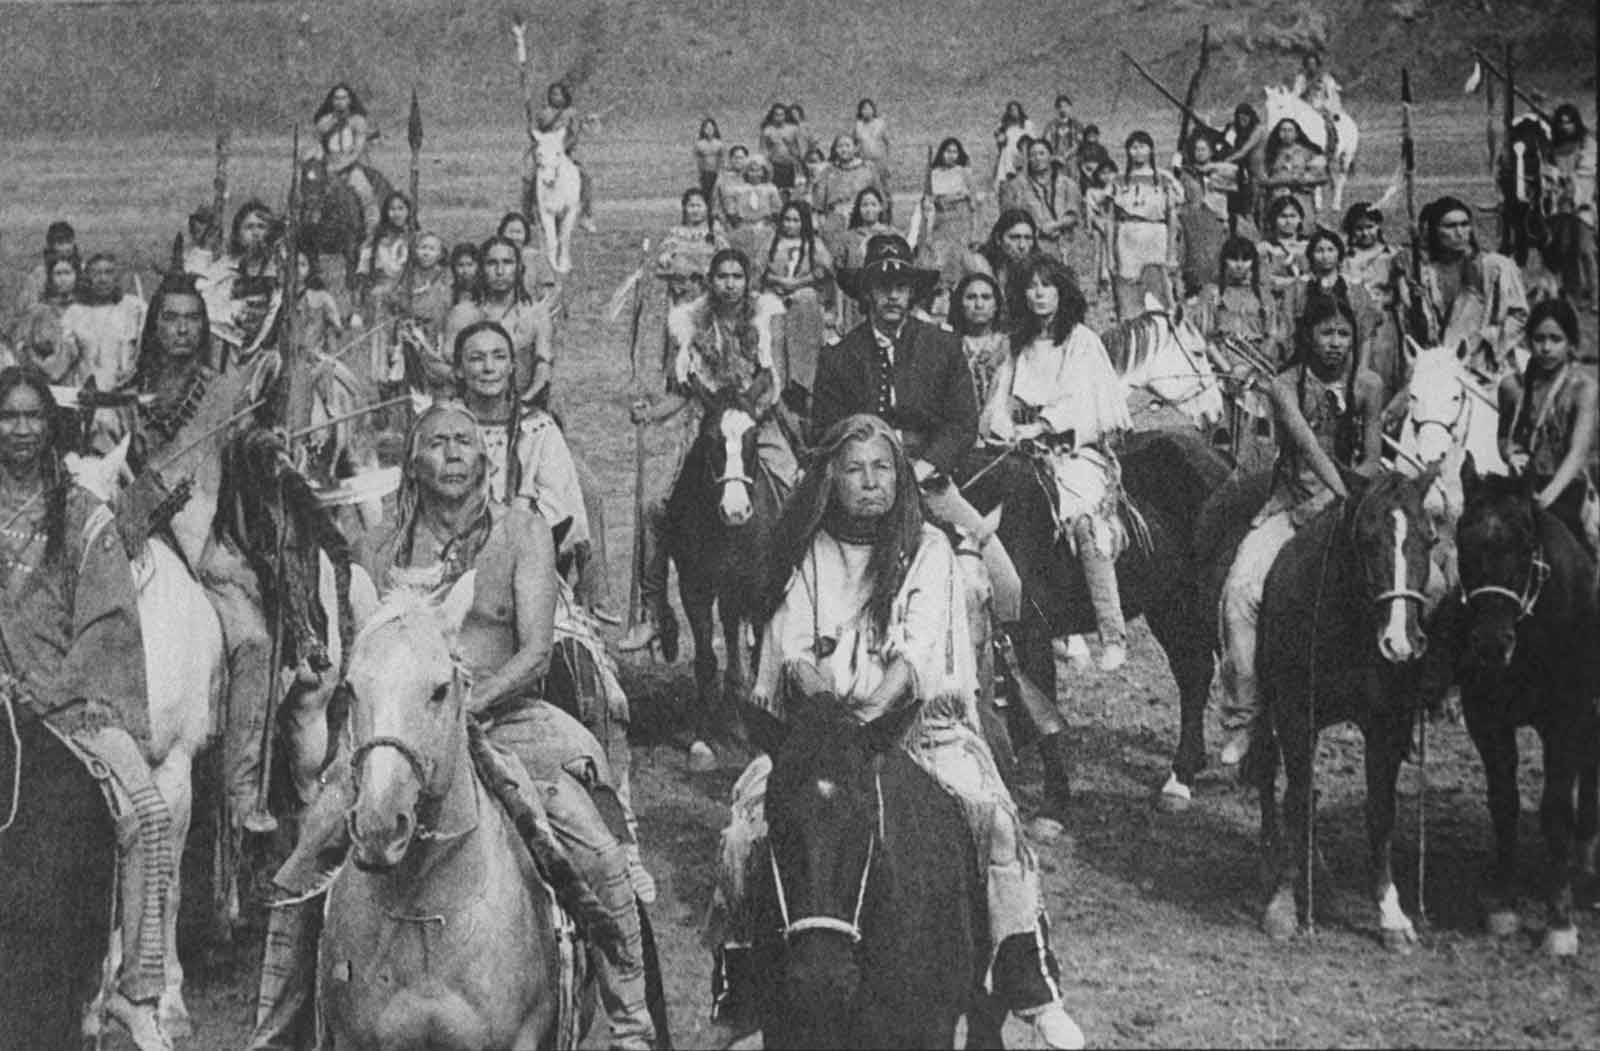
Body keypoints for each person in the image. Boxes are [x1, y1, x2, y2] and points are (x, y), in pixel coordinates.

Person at [250, 403, 656, 1050]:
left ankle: (632, 1024)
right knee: (310, 847)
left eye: (465, 440)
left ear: (485, 457)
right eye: (437, 442)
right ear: (414, 462)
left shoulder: (522, 531)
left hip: (509, 717)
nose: (453, 452)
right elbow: (368, 654)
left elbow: (536, 653)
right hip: (401, 730)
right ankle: (273, 1029)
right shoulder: (381, 546)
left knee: (598, 850)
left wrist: (464, 706)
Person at [712, 414, 1087, 1050]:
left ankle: (1028, 974)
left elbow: (917, 655)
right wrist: (831, 721)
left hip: (917, 727)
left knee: (993, 816)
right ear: (831, 479)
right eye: (855, 470)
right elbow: (795, 652)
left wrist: (872, 716)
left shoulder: (928, 550)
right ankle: (740, 986)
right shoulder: (804, 553)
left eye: (882, 469)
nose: (870, 483)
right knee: (745, 829)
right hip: (822, 731)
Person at [0, 368, 175, 1051]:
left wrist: (52, 689)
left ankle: (136, 989)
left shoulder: (83, 514)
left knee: (147, 812)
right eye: (7, 416)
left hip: (68, 701)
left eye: (31, 416)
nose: (19, 429)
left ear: (52, 425)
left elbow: (107, 619)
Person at [811, 234, 1030, 717]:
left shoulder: (942, 347)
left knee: (1003, 580)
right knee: (796, 567)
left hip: (929, 483)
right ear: (866, 292)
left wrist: (923, 467)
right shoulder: (839, 356)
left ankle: (991, 681)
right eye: (882, 286)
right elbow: (824, 431)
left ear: (913, 292)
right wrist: (866, 472)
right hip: (859, 492)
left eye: (902, 286)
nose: (893, 295)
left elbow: (962, 423)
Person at [620, 250, 795, 703]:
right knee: (656, 504)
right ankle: (654, 607)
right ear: (710, 280)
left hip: (756, 420)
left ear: (747, 279)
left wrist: (752, 411)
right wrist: (651, 412)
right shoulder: (690, 323)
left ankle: (794, 595)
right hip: (704, 422)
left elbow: (774, 381)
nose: (730, 283)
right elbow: (681, 392)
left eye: (738, 275)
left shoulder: (765, 317)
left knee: (792, 486)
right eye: (722, 276)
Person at [1216, 295, 1384, 763]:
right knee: (1240, 593)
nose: (1335, 343)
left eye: (1344, 334)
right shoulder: (1284, 385)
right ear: (1308, 335)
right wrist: (1325, 496)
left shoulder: (1368, 385)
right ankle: (1244, 716)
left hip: (1351, 503)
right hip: (1291, 505)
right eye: (1326, 332)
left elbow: (1372, 458)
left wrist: (1341, 498)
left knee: (1416, 579)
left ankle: (1406, 695)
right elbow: (1308, 447)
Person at [980, 256, 1133, 670]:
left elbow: (1082, 400)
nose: (1039, 294)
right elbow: (998, 400)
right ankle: (1044, 623)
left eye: (1047, 286)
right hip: (1022, 449)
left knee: (1083, 520)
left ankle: (1111, 630)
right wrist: (1008, 428)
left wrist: (1044, 426)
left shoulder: (1082, 341)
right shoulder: (1018, 345)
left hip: (1072, 451)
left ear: (1061, 292)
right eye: (1031, 287)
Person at [455, 320, 593, 582]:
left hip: (525, 563)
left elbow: (558, 509)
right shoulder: (444, 426)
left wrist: (508, 524)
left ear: (511, 366)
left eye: (499, 357)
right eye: (476, 358)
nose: (488, 368)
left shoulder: (538, 429)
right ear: (459, 369)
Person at [1497, 298, 1598, 555]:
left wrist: (1547, 497)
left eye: (1556, 339)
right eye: (1539, 338)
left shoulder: (1582, 389)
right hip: (1521, 489)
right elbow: (1503, 438)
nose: (1546, 347)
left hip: (1566, 492)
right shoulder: (1512, 387)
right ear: (1528, 341)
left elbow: (1578, 452)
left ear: (1571, 343)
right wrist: (1510, 454)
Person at [1398, 195, 1528, 375]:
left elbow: (1519, 316)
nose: (1459, 232)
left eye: (1464, 224)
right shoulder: (1426, 273)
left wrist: (1487, 341)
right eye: (1450, 226)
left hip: (1489, 362)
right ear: (1435, 230)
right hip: (1441, 364)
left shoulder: (1496, 266)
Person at [442, 236, 555, 407]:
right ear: (481, 269)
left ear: (519, 268)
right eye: (492, 263)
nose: (500, 271)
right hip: (471, 407)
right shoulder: (462, 314)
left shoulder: (536, 314)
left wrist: (526, 401)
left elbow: (543, 364)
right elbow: (447, 366)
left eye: (507, 263)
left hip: (524, 403)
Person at [1108, 130, 1182, 319]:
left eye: (1142, 147)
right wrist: (1110, 255)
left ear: (1150, 150)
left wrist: (1172, 253)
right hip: (1127, 237)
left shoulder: (1163, 179)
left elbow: (1172, 216)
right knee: (1128, 289)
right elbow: (1111, 220)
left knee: (1159, 291)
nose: (1138, 151)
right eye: (1133, 147)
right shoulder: (1118, 180)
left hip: (1155, 235)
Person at [761, 200, 834, 390]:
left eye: (795, 220)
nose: (790, 225)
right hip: (775, 294)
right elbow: (760, 271)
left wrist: (797, 283)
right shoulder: (772, 242)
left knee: (805, 301)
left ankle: (803, 383)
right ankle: (777, 384)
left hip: (804, 296)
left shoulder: (813, 244)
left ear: (804, 222)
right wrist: (780, 281)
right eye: (787, 220)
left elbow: (823, 271)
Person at [1192, 235, 1286, 371]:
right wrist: (1226, 368)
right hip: (1218, 364)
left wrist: (1255, 365)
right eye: (1234, 259)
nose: (1239, 265)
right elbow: (1204, 337)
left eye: (1245, 259)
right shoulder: (1212, 293)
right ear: (1224, 261)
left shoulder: (1263, 296)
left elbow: (1271, 336)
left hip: (1256, 365)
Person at [1283, 230, 1380, 357]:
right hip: (1305, 356)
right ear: (1311, 255)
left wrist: (1362, 365)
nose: (1325, 256)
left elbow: (1365, 332)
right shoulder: (1298, 288)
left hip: (1346, 356)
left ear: (1339, 253)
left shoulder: (1354, 288)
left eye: (1330, 250)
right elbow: (1287, 326)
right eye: (1319, 251)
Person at [60, 252, 146, 390]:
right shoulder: (74, 313)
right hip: (86, 391)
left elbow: (146, 352)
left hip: (125, 390)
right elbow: (65, 360)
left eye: (109, 272)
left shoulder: (134, 308)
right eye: (96, 273)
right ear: (87, 278)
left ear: (117, 277)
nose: (103, 279)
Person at [999, 136, 1085, 269]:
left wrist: (1055, 225)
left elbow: (1074, 214)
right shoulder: (1016, 186)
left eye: (1041, 153)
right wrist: (1038, 228)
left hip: (1065, 244)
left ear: (1050, 156)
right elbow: (1009, 217)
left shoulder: (1068, 184)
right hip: (1032, 245)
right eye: (1033, 155)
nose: (1037, 158)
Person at [1174, 129, 1238, 299]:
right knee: (1195, 259)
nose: (1200, 153)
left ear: (1211, 151)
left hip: (1217, 220)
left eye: (1203, 149)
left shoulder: (1222, 171)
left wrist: (1212, 168)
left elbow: (1237, 178)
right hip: (1193, 222)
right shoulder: (1186, 173)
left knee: (1216, 258)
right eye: (1197, 149)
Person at [915, 136, 984, 288]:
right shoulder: (934, 174)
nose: (951, 155)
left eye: (955, 152)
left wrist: (975, 233)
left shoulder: (963, 173)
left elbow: (974, 205)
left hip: (960, 224)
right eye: (948, 151)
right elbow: (928, 200)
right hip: (940, 224)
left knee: (962, 261)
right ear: (941, 153)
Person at [312, 82, 380, 230]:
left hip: (351, 169)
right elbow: (318, 147)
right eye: (336, 98)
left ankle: (371, 232)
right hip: (328, 168)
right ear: (331, 101)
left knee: (366, 195)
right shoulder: (324, 123)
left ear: (349, 100)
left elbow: (357, 151)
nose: (340, 102)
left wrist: (341, 166)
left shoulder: (358, 121)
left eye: (343, 98)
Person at [1549, 103, 1598, 309]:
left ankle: (1595, 295)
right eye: (1561, 123)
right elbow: (1549, 168)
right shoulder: (1553, 145)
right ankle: (1573, 294)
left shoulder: (1587, 143)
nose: (1565, 127)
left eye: (1569, 123)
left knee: (1586, 250)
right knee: (1566, 249)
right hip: (1561, 206)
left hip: (1582, 205)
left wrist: (1572, 184)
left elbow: (1588, 171)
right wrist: (1556, 181)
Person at [532, 81, 598, 232]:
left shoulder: (572, 113)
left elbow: (582, 133)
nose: (554, 97)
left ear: (564, 96)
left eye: (557, 94)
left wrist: (589, 122)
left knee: (586, 178)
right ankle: (531, 213)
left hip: (568, 153)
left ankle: (586, 215)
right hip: (547, 153)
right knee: (529, 178)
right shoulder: (544, 113)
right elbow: (538, 131)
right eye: (552, 94)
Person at [831, 186, 896, 334]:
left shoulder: (891, 235)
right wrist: (839, 314)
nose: (869, 209)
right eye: (864, 205)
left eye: (873, 204)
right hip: (854, 304)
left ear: (881, 207)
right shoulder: (848, 238)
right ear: (858, 209)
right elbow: (839, 279)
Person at [966, 208, 1046, 324]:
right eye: (1014, 238)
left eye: (1028, 238)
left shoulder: (1036, 267)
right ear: (998, 239)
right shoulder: (979, 262)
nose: (1022, 246)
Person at [9, 253, 79, 381]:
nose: (63, 279)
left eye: (67, 273)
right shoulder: (37, 312)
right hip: (39, 378)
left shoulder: (84, 310)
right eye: (58, 274)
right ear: (50, 277)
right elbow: (20, 345)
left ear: (77, 275)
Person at [656, 188, 729, 307]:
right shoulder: (676, 233)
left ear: (707, 208)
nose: (695, 210)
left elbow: (726, 257)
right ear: (684, 208)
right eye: (691, 206)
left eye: (699, 206)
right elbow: (665, 253)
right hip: (682, 292)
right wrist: (665, 257)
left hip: (708, 291)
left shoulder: (715, 234)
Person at [949, 271, 1011, 410]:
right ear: (960, 303)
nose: (979, 304)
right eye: (971, 297)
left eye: (986, 297)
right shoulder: (949, 345)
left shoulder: (1009, 346)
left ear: (996, 304)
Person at [1260, 118, 1328, 230]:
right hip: (1276, 199)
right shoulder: (1270, 153)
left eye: (1290, 130)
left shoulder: (1308, 152)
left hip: (1301, 198)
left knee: (1303, 230)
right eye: (1283, 130)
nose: (1286, 134)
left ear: (1296, 133)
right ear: (1278, 133)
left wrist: (1305, 180)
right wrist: (1282, 180)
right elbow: (1261, 179)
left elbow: (1323, 177)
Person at [812, 132, 885, 233]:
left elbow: (879, 198)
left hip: (862, 220)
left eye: (847, 146)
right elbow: (818, 205)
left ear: (855, 148)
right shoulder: (827, 172)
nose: (844, 150)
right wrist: (823, 226)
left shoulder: (867, 168)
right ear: (835, 149)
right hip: (835, 221)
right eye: (840, 146)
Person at [1257, 194, 1310, 326]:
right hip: (1277, 306)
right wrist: (1292, 282)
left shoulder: (1309, 246)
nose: (1288, 221)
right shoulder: (1265, 248)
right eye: (1283, 216)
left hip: (1307, 303)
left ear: (1300, 218)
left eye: (1293, 216)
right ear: (1274, 219)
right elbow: (1264, 280)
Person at [720, 155, 784, 263]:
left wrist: (770, 223)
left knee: (763, 257)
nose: (755, 174)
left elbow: (777, 209)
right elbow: (731, 210)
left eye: (758, 170)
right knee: (744, 256)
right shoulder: (738, 189)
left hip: (764, 228)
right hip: (743, 227)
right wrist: (737, 224)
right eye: (751, 171)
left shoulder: (770, 188)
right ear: (746, 172)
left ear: (764, 171)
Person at [12, 219, 77, 323]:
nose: (65, 247)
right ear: (51, 246)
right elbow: (24, 307)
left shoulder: (82, 269)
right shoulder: (39, 274)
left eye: (68, 242)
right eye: (60, 243)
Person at [1216, 103, 1266, 237]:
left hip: (1258, 175)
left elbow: (1244, 151)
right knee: (1244, 209)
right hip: (1247, 174)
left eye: (1245, 119)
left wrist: (1226, 160)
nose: (1242, 122)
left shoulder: (1258, 130)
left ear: (1251, 117)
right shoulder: (1242, 131)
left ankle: (1258, 236)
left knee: (1253, 210)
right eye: (1240, 119)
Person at [496, 211, 563, 309]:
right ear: (502, 233)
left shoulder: (536, 258)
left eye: (518, 232)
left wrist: (538, 310)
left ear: (525, 235)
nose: (514, 237)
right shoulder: (493, 258)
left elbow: (549, 292)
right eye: (511, 232)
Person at [1340, 202, 1396, 301]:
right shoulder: (1345, 257)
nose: (1365, 233)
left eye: (1370, 227)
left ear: (1378, 226)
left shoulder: (1391, 254)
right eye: (1359, 228)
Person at [993, 100, 1037, 193]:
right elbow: (998, 136)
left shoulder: (1027, 123)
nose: (1013, 112)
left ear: (1019, 110)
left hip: (1022, 151)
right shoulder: (1005, 125)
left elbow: (1033, 139)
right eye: (1011, 110)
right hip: (1008, 152)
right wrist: (1000, 136)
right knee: (1006, 152)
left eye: (1015, 109)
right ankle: (1008, 176)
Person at [759, 103, 800, 200]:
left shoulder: (793, 130)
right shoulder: (767, 131)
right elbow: (763, 150)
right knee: (775, 193)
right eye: (776, 114)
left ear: (785, 116)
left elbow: (799, 150)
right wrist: (766, 165)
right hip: (774, 166)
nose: (779, 117)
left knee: (790, 193)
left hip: (790, 166)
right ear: (772, 116)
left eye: (781, 114)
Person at [854, 97, 893, 190]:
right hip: (865, 163)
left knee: (884, 187)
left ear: (873, 110)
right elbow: (853, 144)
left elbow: (888, 143)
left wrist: (888, 163)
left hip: (880, 162)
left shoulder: (880, 124)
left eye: (869, 108)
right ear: (860, 111)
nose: (867, 111)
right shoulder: (857, 126)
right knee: (867, 187)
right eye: (864, 109)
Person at [1043, 93, 1085, 171]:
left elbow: (1080, 143)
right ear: (1056, 109)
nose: (1063, 109)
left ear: (1070, 107)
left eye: (1065, 106)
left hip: (1072, 161)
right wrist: (1054, 157)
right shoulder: (1050, 125)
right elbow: (1046, 143)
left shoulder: (1077, 125)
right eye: (1060, 107)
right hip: (1054, 161)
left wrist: (1066, 155)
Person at [1074, 123, 1113, 196]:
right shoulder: (1082, 148)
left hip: (1098, 175)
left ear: (1097, 136)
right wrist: (1088, 173)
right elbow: (1080, 162)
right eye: (1089, 134)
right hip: (1085, 176)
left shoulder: (1102, 149)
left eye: (1094, 134)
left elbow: (1106, 163)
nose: (1091, 136)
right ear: (1086, 136)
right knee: (1086, 194)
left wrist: (1098, 171)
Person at [694, 117, 727, 202]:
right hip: (704, 174)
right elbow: (697, 161)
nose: (709, 130)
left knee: (717, 195)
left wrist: (721, 174)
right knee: (706, 196)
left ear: (715, 129)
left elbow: (722, 161)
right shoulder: (699, 144)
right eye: (707, 128)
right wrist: (699, 174)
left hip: (716, 173)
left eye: (711, 128)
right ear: (703, 130)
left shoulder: (719, 144)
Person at [448, 241, 481, 307]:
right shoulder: (448, 292)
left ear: (477, 266)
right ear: (454, 268)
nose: (465, 270)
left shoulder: (484, 292)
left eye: (470, 265)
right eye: (460, 265)